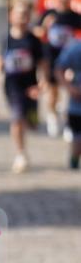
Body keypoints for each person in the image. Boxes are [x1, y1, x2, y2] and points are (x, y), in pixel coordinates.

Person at [0, 0, 43, 174]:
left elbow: (43, 65)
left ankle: (31, 122)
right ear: (10, 15)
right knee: (17, 118)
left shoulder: (33, 40)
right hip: (12, 86)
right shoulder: (5, 39)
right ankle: (21, 154)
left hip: (31, 86)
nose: (22, 17)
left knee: (32, 122)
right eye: (19, 13)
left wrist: (41, 85)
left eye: (26, 14)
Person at [34, 0, 81, 137]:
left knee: (70, 91)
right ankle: (52, 115)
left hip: (71, 61)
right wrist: (45, 27)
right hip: (52, 59)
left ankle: (70, 122)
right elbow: (36, 33)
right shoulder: (49, 14)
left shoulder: (75, 17)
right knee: (52, 91)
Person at [56, 37, 81, 169]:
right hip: (77, 105)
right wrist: (70, 88)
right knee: (78, 140)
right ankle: (74, 157)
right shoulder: (76, 48)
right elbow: (59, 68)